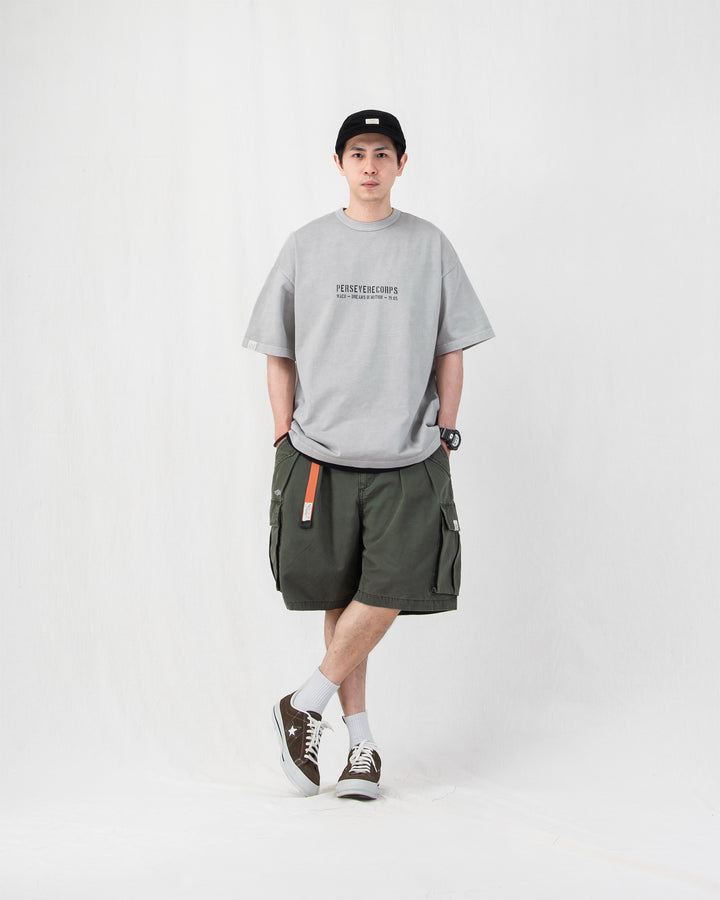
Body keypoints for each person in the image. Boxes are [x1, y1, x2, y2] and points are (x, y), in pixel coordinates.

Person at [242, 109, 494, 800]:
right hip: (320, 453)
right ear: (340, 163)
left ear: (401, 164)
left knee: (389, 589)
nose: (370, 165)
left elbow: (452, 345)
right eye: (358, 153)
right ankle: (361, 748)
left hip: (408, 453)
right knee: (340, 594)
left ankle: (304, 702)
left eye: (383, 153)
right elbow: (277, 349)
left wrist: (445, 430)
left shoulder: (428, 244)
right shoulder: (306, 245)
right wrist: (281, 432)